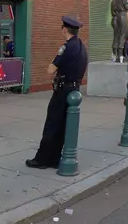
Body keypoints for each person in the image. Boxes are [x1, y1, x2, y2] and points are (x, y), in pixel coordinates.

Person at [26, 16, 89, 169]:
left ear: (64, 29)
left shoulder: (67, 47)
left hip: (63, 89)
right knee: (63, 126)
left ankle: (42, 159)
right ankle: (54, 158)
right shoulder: (81, 46)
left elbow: (50, 69)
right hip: (75, 89)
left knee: (52, 124)